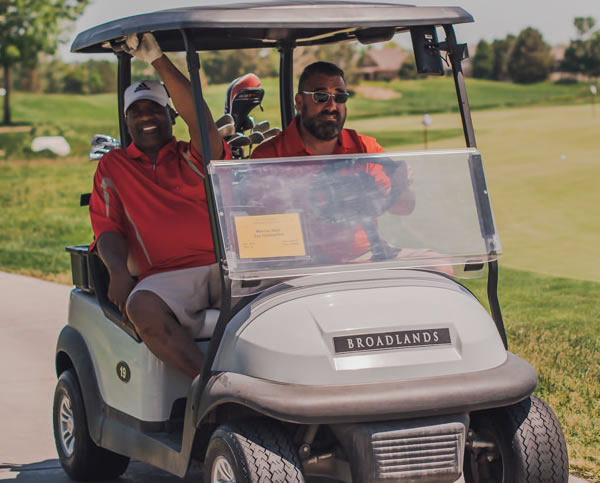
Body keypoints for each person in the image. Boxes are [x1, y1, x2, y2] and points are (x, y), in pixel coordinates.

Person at [88, 33, 229, 379]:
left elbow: (201, 119)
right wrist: (119, 272)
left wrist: (159, 60)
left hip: (227, 265)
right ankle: (212, 388)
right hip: (169, 276)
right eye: (135, 111)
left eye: (155, 107)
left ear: (172, 114)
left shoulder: (194, 155)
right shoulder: (113, 167)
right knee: (142, 306)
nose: (145, 116)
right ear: (126, 121)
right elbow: (108, 228)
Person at [251, 61, 416, 262]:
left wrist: (402, 184)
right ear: (300, 102)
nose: (332, 106)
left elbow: (404, 207)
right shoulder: (270, 157)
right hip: (299, 264)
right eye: (321, 96)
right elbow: (257, 232)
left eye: (339, 97)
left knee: (440, 267)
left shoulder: (365, 148)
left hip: (365, 256)